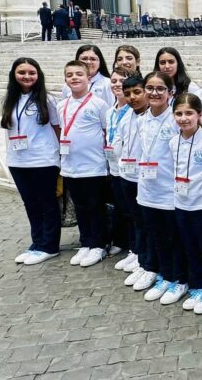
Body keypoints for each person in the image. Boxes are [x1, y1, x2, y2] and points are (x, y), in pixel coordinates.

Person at [136, 72, 189, 305]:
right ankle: (166, 275)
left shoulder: (175, 120)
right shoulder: (142, 119)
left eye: (160, 88)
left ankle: (180, 279)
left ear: (170, 92)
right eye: (150, 88)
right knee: (157, 236)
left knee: (174, 239)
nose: (154, 93)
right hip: (148, 189)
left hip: (170, 190)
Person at [2, 58, 61, 265]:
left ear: (38, 75)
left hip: (43, 159)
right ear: (13, 74)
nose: (27, 76)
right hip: (18, 161)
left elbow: (57, 128)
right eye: (22, 72)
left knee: (47, 203)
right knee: (31, 204)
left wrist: (61, 155)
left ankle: (49, 245)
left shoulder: (48, 100)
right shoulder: (10, 99)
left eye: (31, 72)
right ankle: (37, 243)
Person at [170, 93, 202, 315]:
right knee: (189, 247)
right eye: (179, 113)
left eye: (189, 113)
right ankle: (198, 285)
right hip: (181, 203)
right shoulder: (173, 142)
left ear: (200, 114)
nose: (183, 118)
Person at [58, 60, 110, 268]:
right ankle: (86, 242)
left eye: (79, 74)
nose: (74, 78)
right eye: (70, 75)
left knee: (95, 206)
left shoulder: (98, 104)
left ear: (89, 78)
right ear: (65, 79)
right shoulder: (62, 105)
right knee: (80, 207)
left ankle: (99, 244)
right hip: (70, 166)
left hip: (93, 166)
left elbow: (106, 131)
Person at [116, 76, 153, 288]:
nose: (132, 98)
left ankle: (148, 263)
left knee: (147, 223)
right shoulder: (125, 115)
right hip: (128, 175)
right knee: (135, 220)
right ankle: (140, 256)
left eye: (137, 92)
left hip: (146, 178)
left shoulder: (152, 117)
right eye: (127, 94)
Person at [104, 67, 133, 261]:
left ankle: (134, 247)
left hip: (129, 168)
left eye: (122, 81)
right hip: (114, 167)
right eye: (114, 80)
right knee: (120, 207)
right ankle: (122, 241)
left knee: (131, 210)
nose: (117, 84)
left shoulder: (133, 111)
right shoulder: (110, 111)